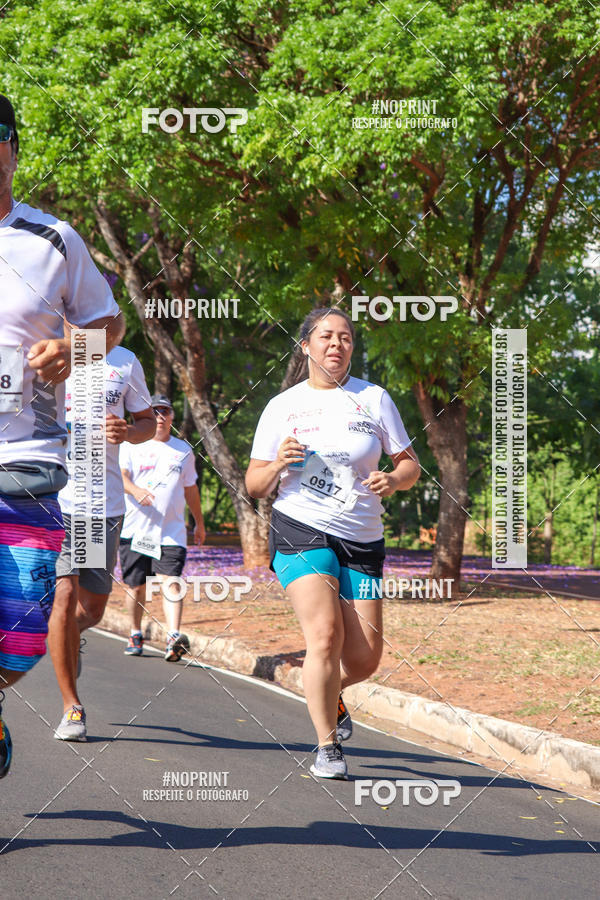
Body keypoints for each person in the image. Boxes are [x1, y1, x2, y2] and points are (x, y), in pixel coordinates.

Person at [0, 94, 124, 776]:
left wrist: (72, 349)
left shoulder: (53, 238)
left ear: (13, 152)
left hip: (29, 460)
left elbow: (110, 324)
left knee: (20, 635)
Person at [245, 307, 420, 779]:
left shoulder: (375, 399)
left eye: (345, 337)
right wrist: (279, 462)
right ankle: (327, 747)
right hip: (301, 527)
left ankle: (324, 690)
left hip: (362, 535)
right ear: (305, 346)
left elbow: (409, 463)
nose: (336, 345)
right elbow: (255, 484)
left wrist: (394, 480)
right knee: (324, 635)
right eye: (325, 336)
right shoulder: (283, 406)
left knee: (364, 658)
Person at [48, 346, 155, 742]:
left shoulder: (125, 361)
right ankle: (72, 708)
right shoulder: (42, 351)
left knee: (90, 609)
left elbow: (147, 421)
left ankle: (67, 638)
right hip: (54, 500)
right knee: (62, 596)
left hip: (100, 505)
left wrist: (128, 430)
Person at [119, 394, 206, 660]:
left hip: (172, 531)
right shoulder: (131, 445)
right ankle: (135, 632)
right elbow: (121, 477)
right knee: (137, 586)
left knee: (172, 582)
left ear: (171, 417)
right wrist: (136, 491)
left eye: (164, 412)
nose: (159, 417)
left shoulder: (183, 450)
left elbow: (190, 488)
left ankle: (173, 637)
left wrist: (199, 523)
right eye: (154, 411)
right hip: (136, 530)